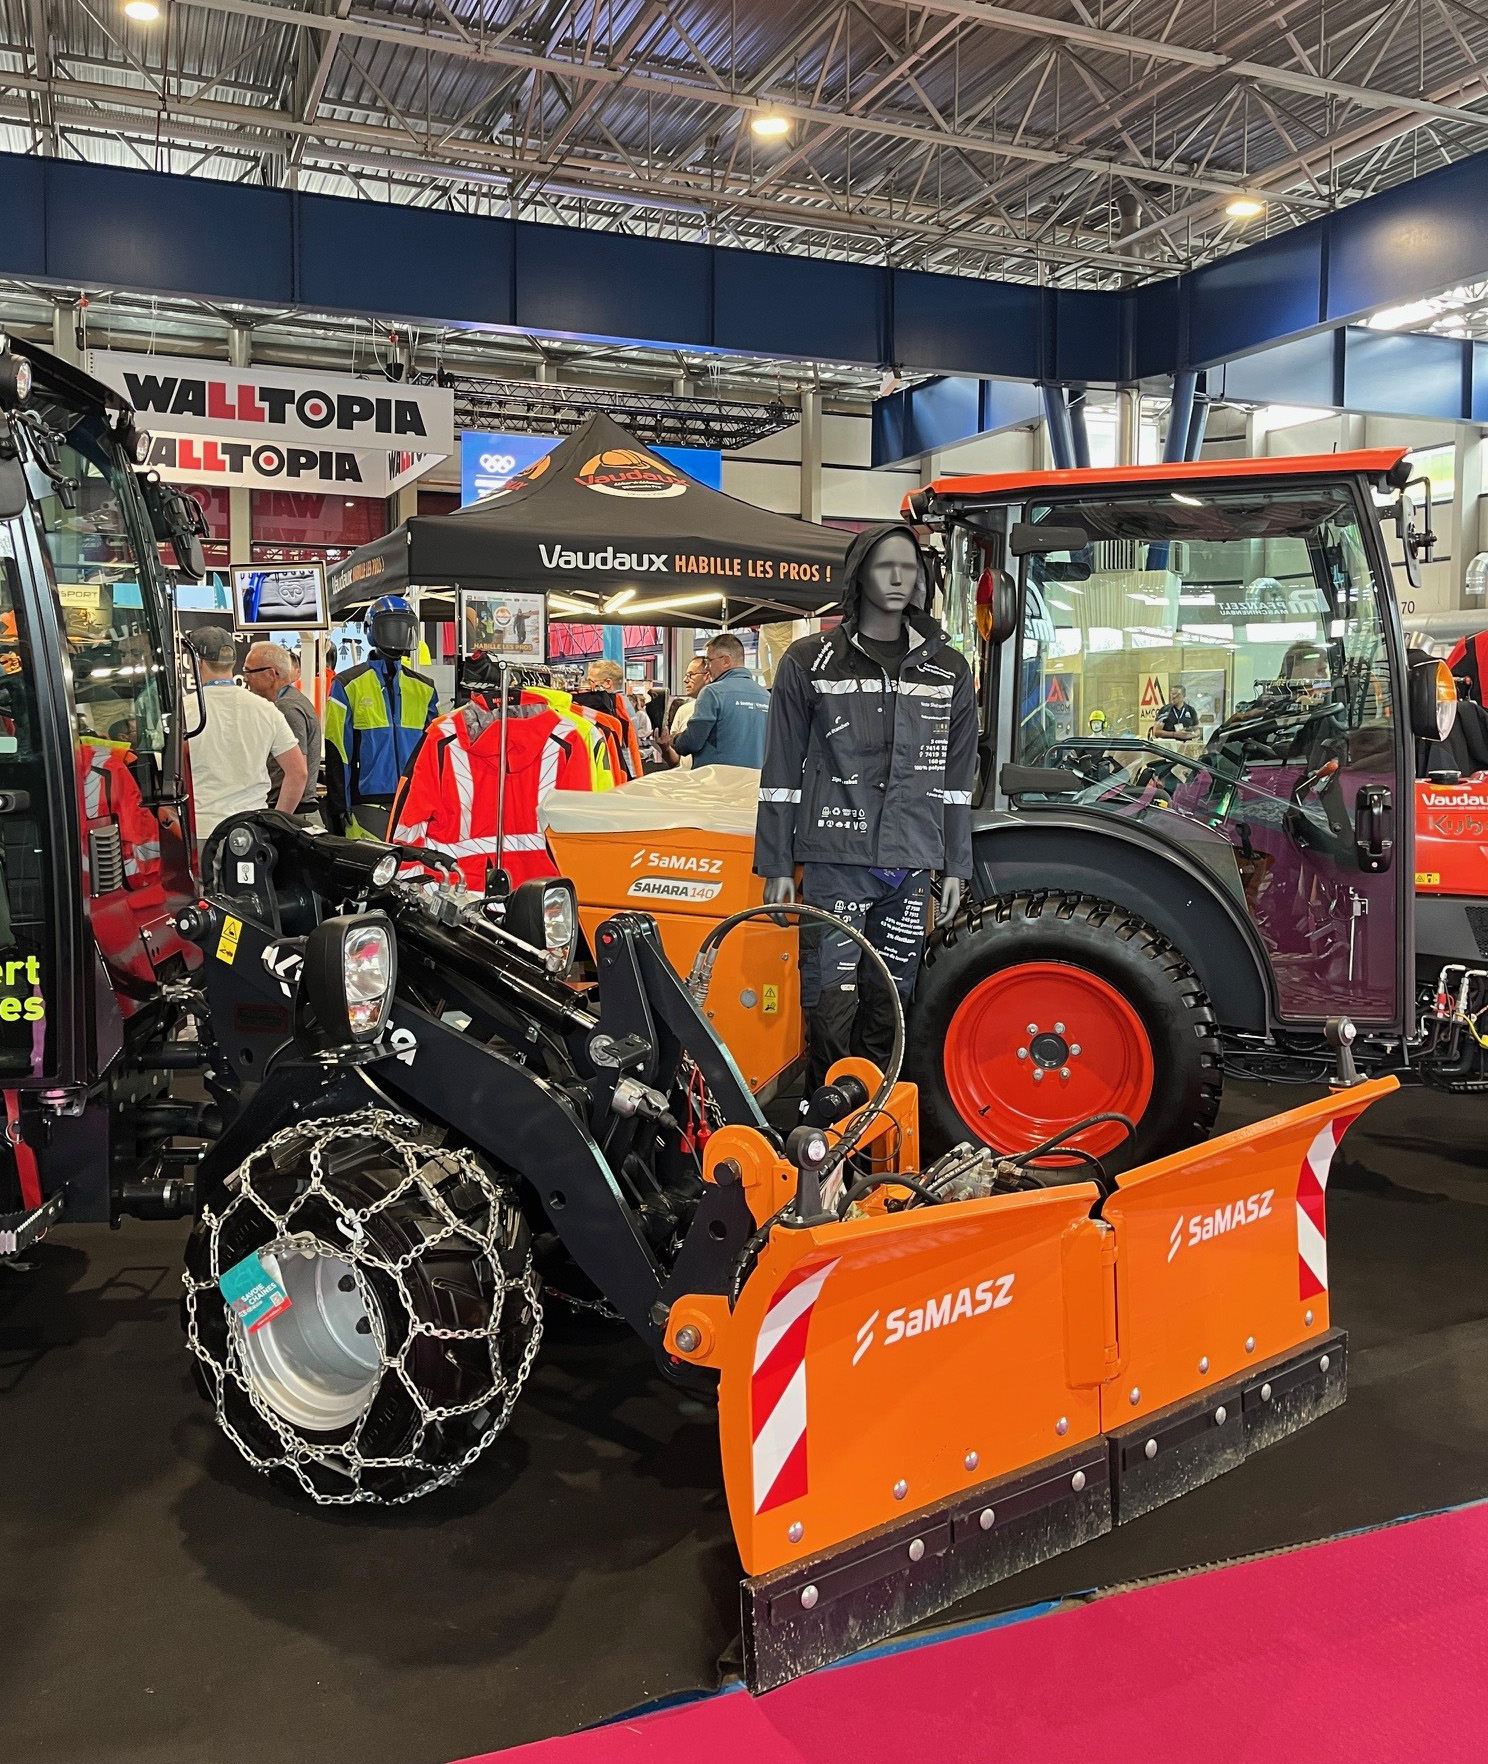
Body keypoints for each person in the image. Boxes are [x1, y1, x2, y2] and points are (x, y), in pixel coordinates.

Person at [755, 523, 977, 1090]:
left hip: (910, 868)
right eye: (884, 566)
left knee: (890, 1008)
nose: (899, 577)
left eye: (909, 566)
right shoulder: (810, 662)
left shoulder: (948, 671)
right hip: (837, 862)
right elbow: (781, 772)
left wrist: (956, 864)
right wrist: (777, 864)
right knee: (830, 1008)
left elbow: (956, 782)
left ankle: (873, 1138)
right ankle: (823, 1147)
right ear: (859, 576)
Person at [324, 596, 439, 838]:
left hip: (414, 801)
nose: (397, 634)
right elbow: (337, 750)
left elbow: (434, 752)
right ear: (372, 630)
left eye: (403, 627)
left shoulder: (424, 688)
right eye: (390, 627)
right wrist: (339, 805)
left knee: (413, 872)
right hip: (367, 802)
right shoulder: (347, 684)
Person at [185, 626, 306, 850]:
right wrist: (276, 823)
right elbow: (298, 773)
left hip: (199, 831)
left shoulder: (183, 712)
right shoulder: (267, 710)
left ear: (197, 663)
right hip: (250, 832)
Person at [657, 634, 770, 770]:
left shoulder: (713, 692)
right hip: (753, 784)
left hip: (717, 783)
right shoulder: (766, 696)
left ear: (726, 661)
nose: (707, 668)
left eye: (709, 661)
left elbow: (692, 741)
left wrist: (674, 739)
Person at [244, 640, 323, 826]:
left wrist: (277, 821)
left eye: (249, 671)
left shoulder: (286, 708)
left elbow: (297, 773)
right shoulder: (291, 702)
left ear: (272, 674)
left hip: (294, 817)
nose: (245, 678)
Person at [663, 655, 709, 769]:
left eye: (691, 675)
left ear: (708, 676)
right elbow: (675, 761)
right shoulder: (683, 710)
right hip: (686, 780)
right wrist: (665, 747)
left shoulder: (722, 709)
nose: (685, 680)